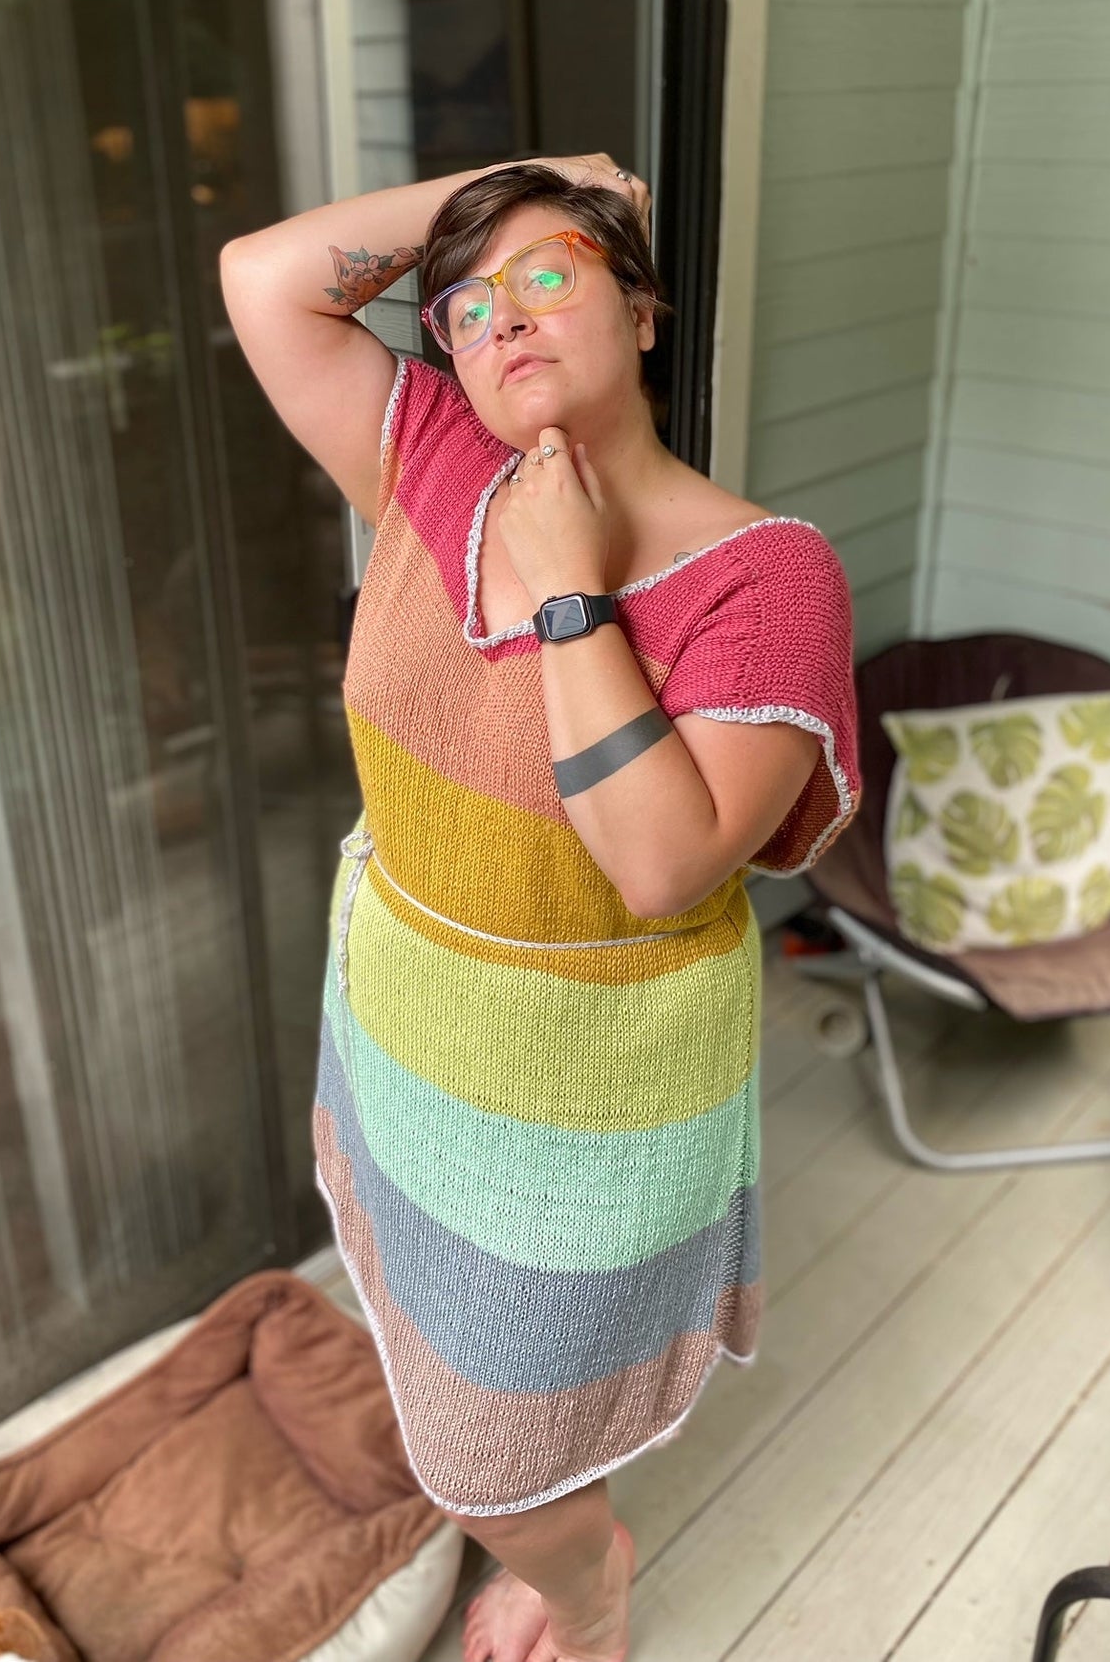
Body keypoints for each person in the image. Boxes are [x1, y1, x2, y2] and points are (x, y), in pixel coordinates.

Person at [221, 154, 861, 1662]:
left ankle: (587, 1582)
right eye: (462, 305)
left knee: (492, 1458)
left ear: (641, 309)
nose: (499, 316)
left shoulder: (769, 582)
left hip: (593, 1090)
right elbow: (265, 277)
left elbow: (664, 864)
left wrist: (574, 597)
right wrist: (559, 180)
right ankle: (556, 1519)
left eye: (551, 272)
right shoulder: (434, 459)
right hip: (410, 1028)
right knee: (436, 1345)